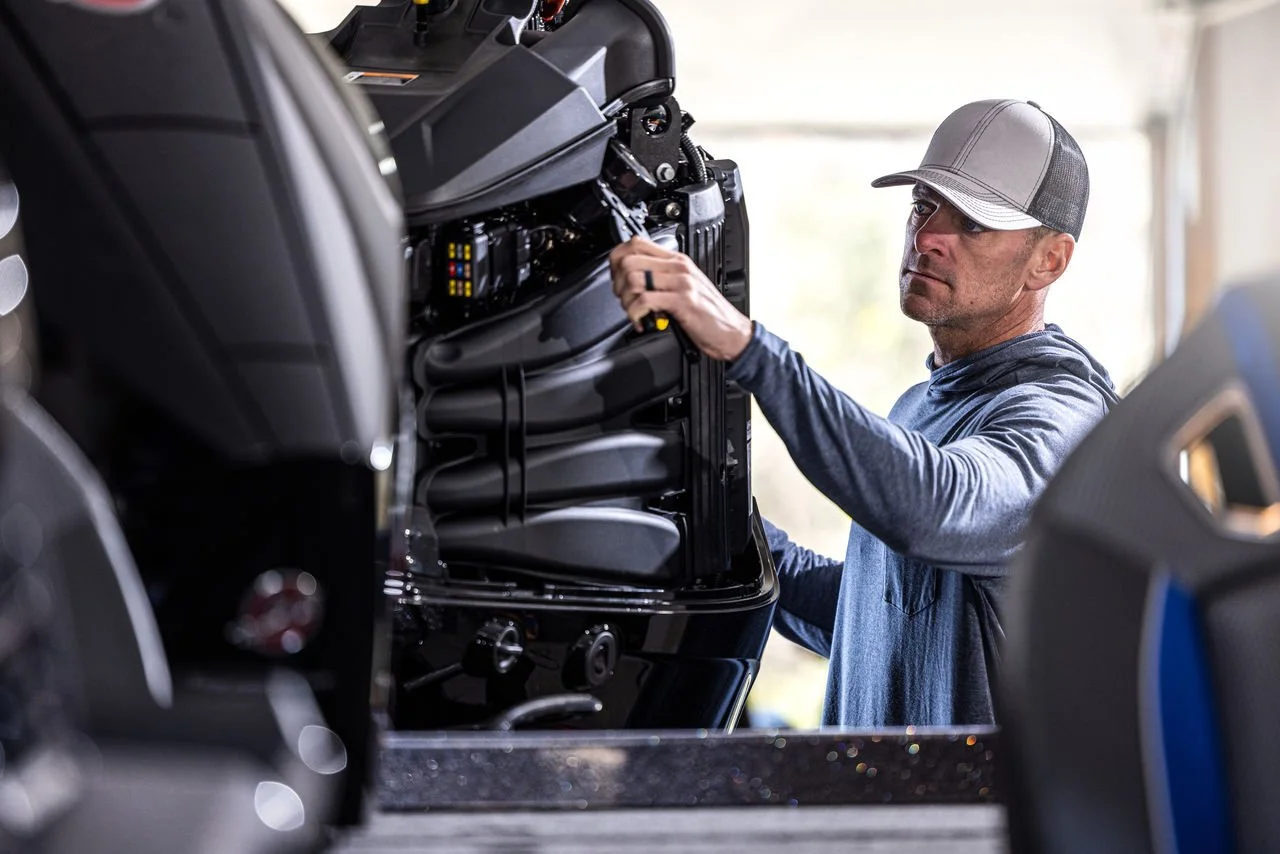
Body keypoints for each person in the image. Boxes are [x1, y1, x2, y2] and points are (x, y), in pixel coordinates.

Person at [608, 99, 1120, 728]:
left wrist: (746, 347)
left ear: (1050, 260)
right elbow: (866, 621)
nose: (927, 238)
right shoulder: (923, 404)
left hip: (974, 800)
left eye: (973, 224)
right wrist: (710, 509)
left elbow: (936, 504)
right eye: (924, 206)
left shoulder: (1063, 421)